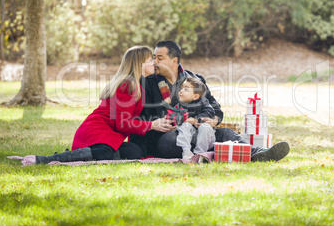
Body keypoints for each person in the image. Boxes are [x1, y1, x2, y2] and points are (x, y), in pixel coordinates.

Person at [131, 40, 290, 162]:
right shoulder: (148, 82)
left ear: (174, 60)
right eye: (154, 58)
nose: (155, 62)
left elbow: (215, 108)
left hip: (199, 131)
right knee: (173, 140)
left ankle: (256, 153)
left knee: (226, 132)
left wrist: (213, 120)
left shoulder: (195, 79)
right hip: (168, 136)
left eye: (160, 58)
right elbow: (143, 116)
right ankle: (208, 151)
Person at [35, 46, 173, 164]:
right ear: (139, 64)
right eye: (150, 60)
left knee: (134, 151)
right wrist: (151, 125)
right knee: (107, 152)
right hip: (96, 132)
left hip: (108, 135)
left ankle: (88, 153)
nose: (154, 63)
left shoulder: (136, 85)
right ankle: (56, 158)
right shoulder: (127, 85)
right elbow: (122, 123)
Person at [171, 77, 216, 161]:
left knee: (205, 127)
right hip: (190, 137)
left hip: (206, 138)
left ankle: (200, 154)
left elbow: (210, 112)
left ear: (195, 96)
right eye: (182, 87)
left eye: (186, 89)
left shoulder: (203, 102)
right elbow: (173, 115)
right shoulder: (179, 104)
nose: (181, 91)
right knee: (185, 125)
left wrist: (196, 120)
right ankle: (186, 151)